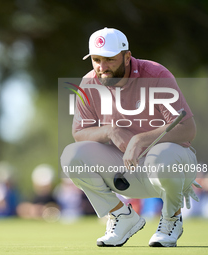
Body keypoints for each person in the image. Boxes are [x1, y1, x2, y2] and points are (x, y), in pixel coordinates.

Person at [60, 27, 201, 247]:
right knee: (72, 156)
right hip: (125, 169)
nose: (101, 67)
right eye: (96, 60)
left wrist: (139, 139)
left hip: (172, 168)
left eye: (109, 60)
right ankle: (121, 216)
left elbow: (187, 129)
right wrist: (110, 130)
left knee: (161, 157)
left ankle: (171, 218)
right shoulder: (89, 83)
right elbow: (79, 133)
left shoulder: (155, 75)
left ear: (127, 56)